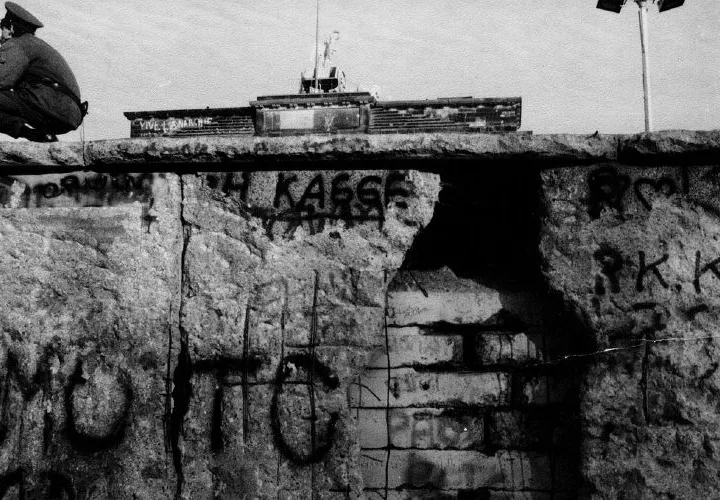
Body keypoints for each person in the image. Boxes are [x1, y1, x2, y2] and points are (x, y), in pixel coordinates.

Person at [0, 2, 86, 142]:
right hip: (68, 113)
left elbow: (2, 80)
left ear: (11, 28)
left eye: (2, 27)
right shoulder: (35, 44)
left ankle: (33, 134)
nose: (1, 34)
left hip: (48, 104)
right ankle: (40, 135)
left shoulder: (17, 43)